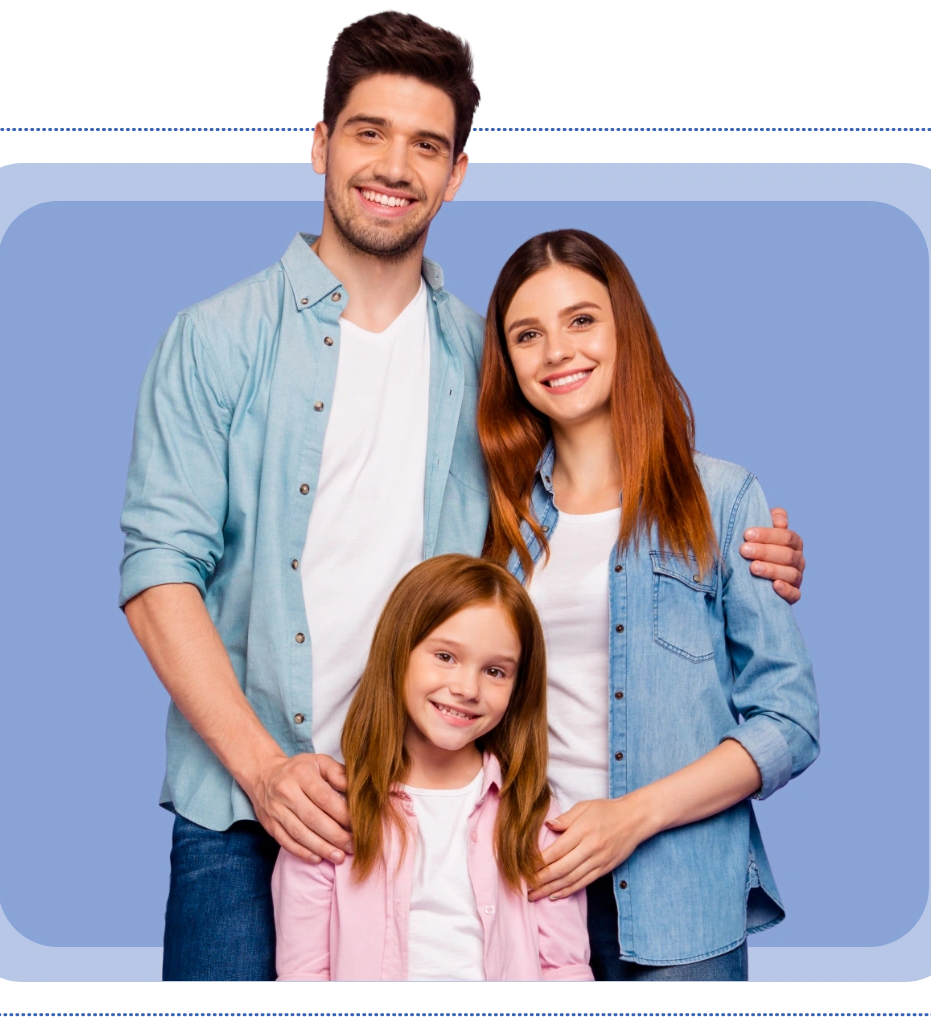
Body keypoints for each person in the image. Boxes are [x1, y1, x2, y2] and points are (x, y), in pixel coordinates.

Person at [118, 10, 806, 981]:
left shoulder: (484, 359)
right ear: (318, 145)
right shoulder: (215, 337)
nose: (394, 165)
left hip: (448, 813)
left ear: (457, 173)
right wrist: (264, 771)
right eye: (367, 132)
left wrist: (750, 551)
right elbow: (157, 571)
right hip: (244, 801)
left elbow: (598, 500)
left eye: (427, 143)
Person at [476, 229, 821, 982]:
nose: (556, 351)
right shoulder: (494, 523)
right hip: (524, 896)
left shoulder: (721, 498)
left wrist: (632, 817)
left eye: (581, 320)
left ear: (623, 327)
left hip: (679, 901)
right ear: (508, 362)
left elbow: (790, 721)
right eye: (526, 335)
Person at [272, 554, 593, 981]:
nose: (466, 688)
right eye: (445, 656)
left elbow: (565, 969)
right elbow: (303, 974)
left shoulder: (534, 817)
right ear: (398, 650)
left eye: (495, 671)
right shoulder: (330, 815)